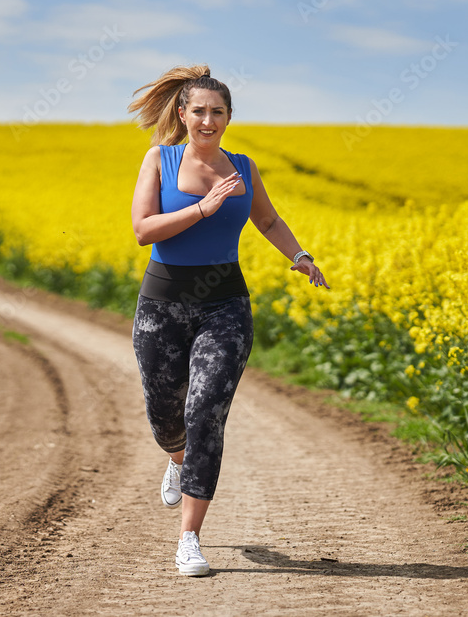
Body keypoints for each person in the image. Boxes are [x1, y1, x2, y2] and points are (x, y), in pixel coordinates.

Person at [127, 64, 329, 577]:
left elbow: (267, 219)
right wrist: (203, 209)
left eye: (218, 112)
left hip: (225, 307)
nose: (209, 120)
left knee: (205, 415)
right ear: (183, 113)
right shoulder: (160, 158)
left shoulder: (244, 167)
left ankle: (189, 538)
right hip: (162, 306)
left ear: (230, 117)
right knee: (166, 418)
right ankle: (175, 460)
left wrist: (298, 254)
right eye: (200, 111)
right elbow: (143, 229)